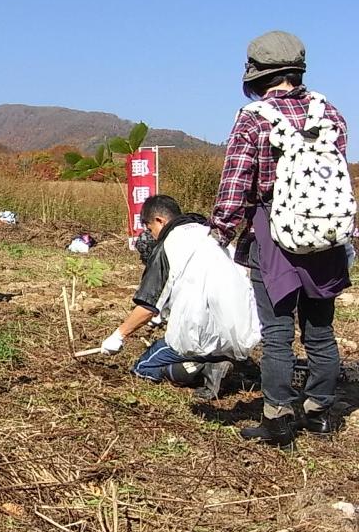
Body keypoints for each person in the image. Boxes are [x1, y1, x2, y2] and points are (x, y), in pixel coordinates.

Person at [209, 31, 351, 450]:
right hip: (325, 237)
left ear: (257, 74)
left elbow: (236, 181)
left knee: (277, 333)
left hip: (272, 237)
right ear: (296, 70)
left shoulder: (255, 117)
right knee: (320, 330)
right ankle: (320, 412)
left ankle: (278, 418)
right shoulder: (331, 114)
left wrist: (220, 229)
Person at [98, 195, 261, 399]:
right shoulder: (211, 234)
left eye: (150, 228)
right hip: (240, 332)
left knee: (144, 367)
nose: (153, 235)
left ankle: (206, 370)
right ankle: (223, 363)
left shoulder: (169, 244)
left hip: (200, 334)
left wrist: (118, 335)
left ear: (159, 220)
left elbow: (148, 305)